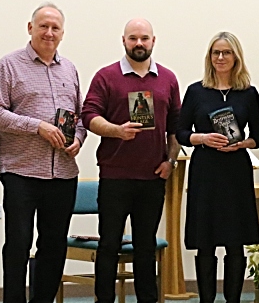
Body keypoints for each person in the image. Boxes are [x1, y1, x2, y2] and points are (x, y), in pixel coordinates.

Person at [0, 3, 86, 303]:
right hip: (22, 173)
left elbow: (80, 117)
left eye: (55, 28)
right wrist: (37, 127)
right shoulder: (9, 65)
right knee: (18, 245)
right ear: (30, 28)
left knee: (54, 247)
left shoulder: (69, 69)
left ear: (63, 33)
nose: (49, 32)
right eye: (43, 26)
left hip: (63, 174)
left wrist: (78, 139)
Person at [81, 18, 181, 303]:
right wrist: (116, 131)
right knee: (109, 245)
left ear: (153, 41)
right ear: (123, 41)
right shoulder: (105, 76)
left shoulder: (168, 79)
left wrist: (170, 162)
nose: (139, 43)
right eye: (133, 38)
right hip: (115, 177)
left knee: (145, 247)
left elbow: (176, 127)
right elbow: (89, 116)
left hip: (152, 177)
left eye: (144, 38)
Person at [176, 31, 259, 303]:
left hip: (235, 171)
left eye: (226, 52)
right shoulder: (195, 91)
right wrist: (202, 138)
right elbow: (180, 132)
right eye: (216, 52)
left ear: (236, 57)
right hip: (205, 170)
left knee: (235, 243)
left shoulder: (248, 93)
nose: (221, 57)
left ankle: (233, 300)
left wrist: (242, 144)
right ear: (209, 57)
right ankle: (206, 300)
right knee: (205, 242)